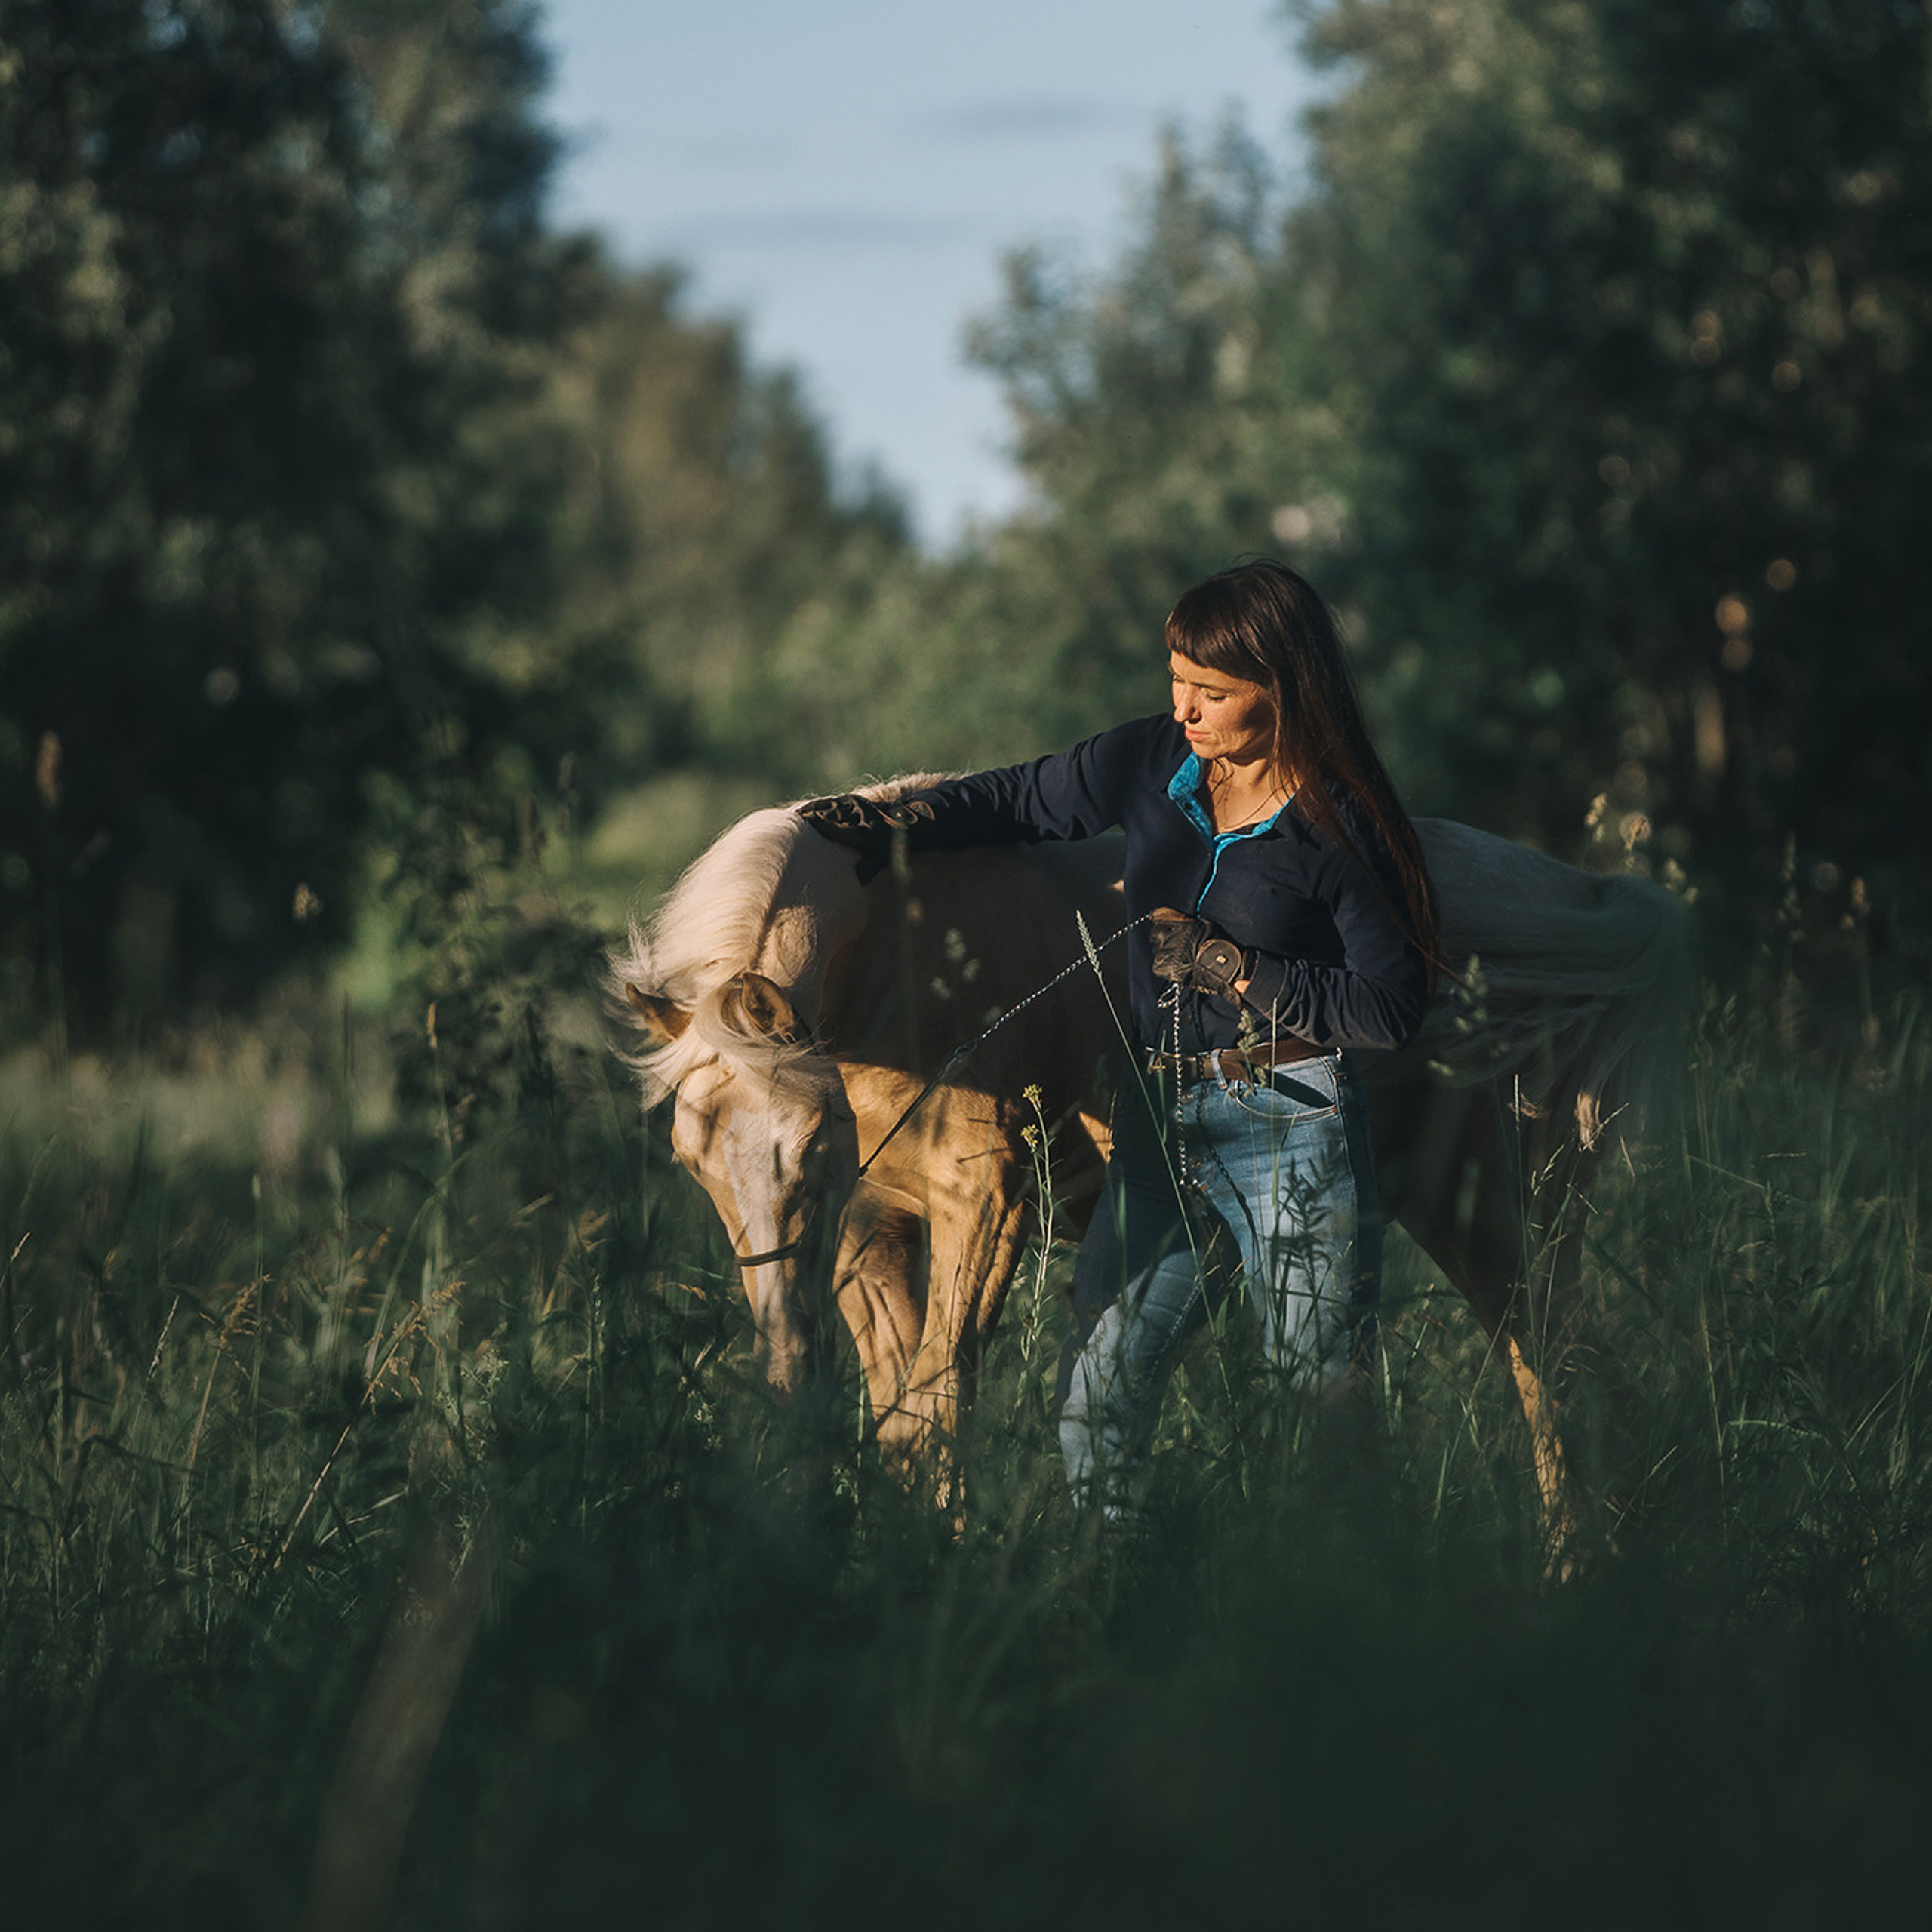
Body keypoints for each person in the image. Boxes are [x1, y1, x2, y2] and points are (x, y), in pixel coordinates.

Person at [798, 559, 1438, 1513]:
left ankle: (1361, 1624)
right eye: (1176, 678)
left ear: (1286, 689)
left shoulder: (1339, 824)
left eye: (1213, 692)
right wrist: (890, 822)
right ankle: (1121, 1621)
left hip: (1292, 1125)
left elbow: (1390, 1008)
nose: (1185, 707)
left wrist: (1235, 970)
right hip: (1159, 1121)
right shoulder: (1151, 761)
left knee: (1320, 1409)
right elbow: (1019, 800)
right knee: (1095, 1406)